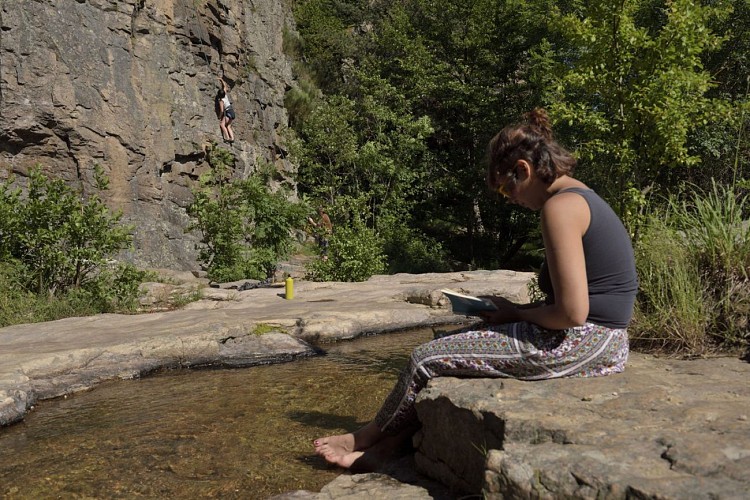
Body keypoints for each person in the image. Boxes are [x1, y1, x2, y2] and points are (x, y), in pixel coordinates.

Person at [313, 108, 639, 470]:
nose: (509, 198)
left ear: (523, 170)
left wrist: (515, 313)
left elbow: (572, 314)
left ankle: (365, 437)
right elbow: (578, 302)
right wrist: (511, 311)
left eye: (504, 187)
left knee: (426, 357)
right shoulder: (579, 196)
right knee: (455, 346)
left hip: (585, 343)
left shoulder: (559, 209)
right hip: (601, 340)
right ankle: (392, 447)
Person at [217, 77, 235, 143]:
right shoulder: (225, 95)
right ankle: (232, 138)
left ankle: (227, 137)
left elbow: (222, 110)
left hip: (228, 112)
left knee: (222, 125)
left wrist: (219, 117)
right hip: (232, 111)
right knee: (228, 126)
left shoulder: (221, 101)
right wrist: (221, 80)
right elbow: (225, 86)